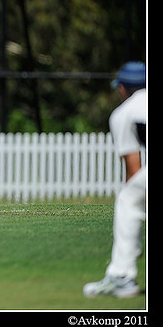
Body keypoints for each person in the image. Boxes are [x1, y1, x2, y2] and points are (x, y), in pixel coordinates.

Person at [83, 61, 147, 298]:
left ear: (122, 89)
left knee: (129, 199)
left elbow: (134, 169)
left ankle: (122, 276)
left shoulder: (124, 113)